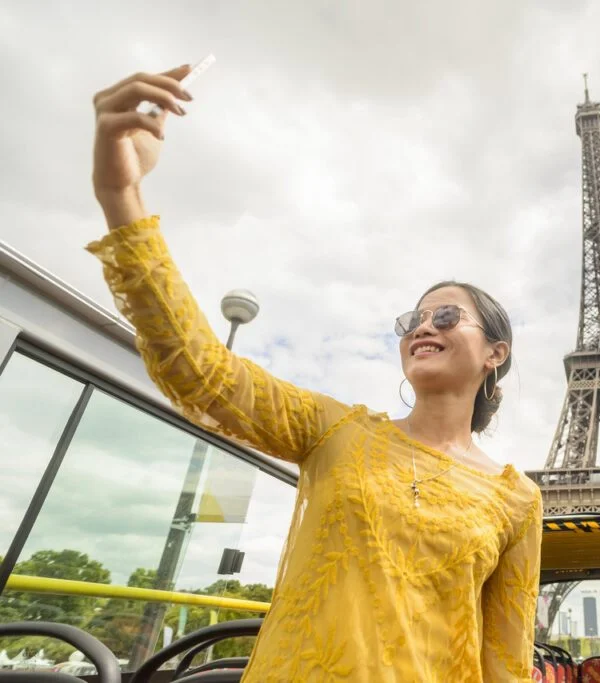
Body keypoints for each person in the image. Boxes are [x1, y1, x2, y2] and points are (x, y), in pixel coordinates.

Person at [88, 64, 543, 682]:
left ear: (496, 353)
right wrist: (122, 194)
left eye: (445, 316)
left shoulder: (518, 500)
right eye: (412, 318)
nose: (422, 327)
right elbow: (202, 373)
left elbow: (505, 661)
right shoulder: (336, 431)